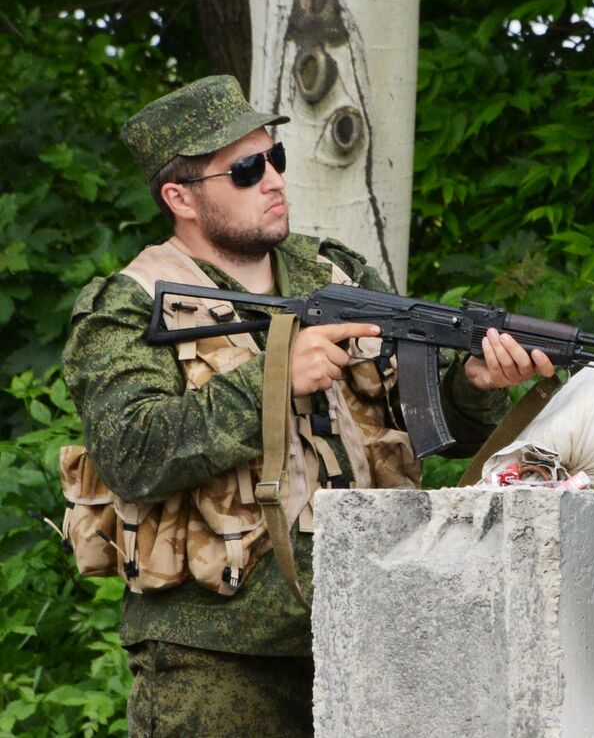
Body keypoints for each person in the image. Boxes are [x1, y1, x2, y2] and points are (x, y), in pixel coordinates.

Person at [62, 75, 553, 737]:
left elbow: (424, 427)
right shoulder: (129, 303)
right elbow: (131, 453)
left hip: (373, 627)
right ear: (178, 196)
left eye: (275, 159)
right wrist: (271, 379)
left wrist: (475, 386)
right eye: (244, 169)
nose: (272, 179)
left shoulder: (334, 275)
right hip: (219, 663)